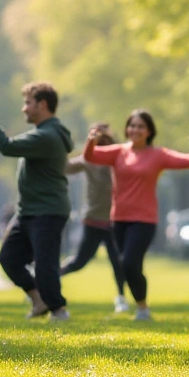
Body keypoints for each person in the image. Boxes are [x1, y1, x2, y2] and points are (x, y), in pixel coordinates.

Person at [84, 110, 189, 321]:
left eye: (140, 126)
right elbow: (90, 156)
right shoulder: (119, 152)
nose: (135, 130)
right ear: (127, 129)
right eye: (132, 126)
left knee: (129, 263)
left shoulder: (158, 154)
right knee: (128, 265)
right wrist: (90, 141)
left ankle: (142, 308)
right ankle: (142, 308)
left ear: (149, 131)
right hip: (119, 219)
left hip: (144, 220)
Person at [0, 83, 73, 321]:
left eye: (28, 103)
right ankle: (39, 300)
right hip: (28, 211)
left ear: (43, 105)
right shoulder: (43, 133)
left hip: (48, 211)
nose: (24, 108)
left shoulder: (47, 136)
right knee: (9, 258)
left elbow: (7, 147)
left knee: (45, 264)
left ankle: (59, 311)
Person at [60, 123, 127, 313]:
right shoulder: (88, 159)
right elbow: (66, 167)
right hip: (94, 219)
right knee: (80, 261)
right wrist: (61, 147)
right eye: (99, 142)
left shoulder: (119, 159)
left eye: (106, 141)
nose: (103, 146)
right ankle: (47, 279)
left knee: (118, 261)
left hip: (115, 220)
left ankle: (121, 297)